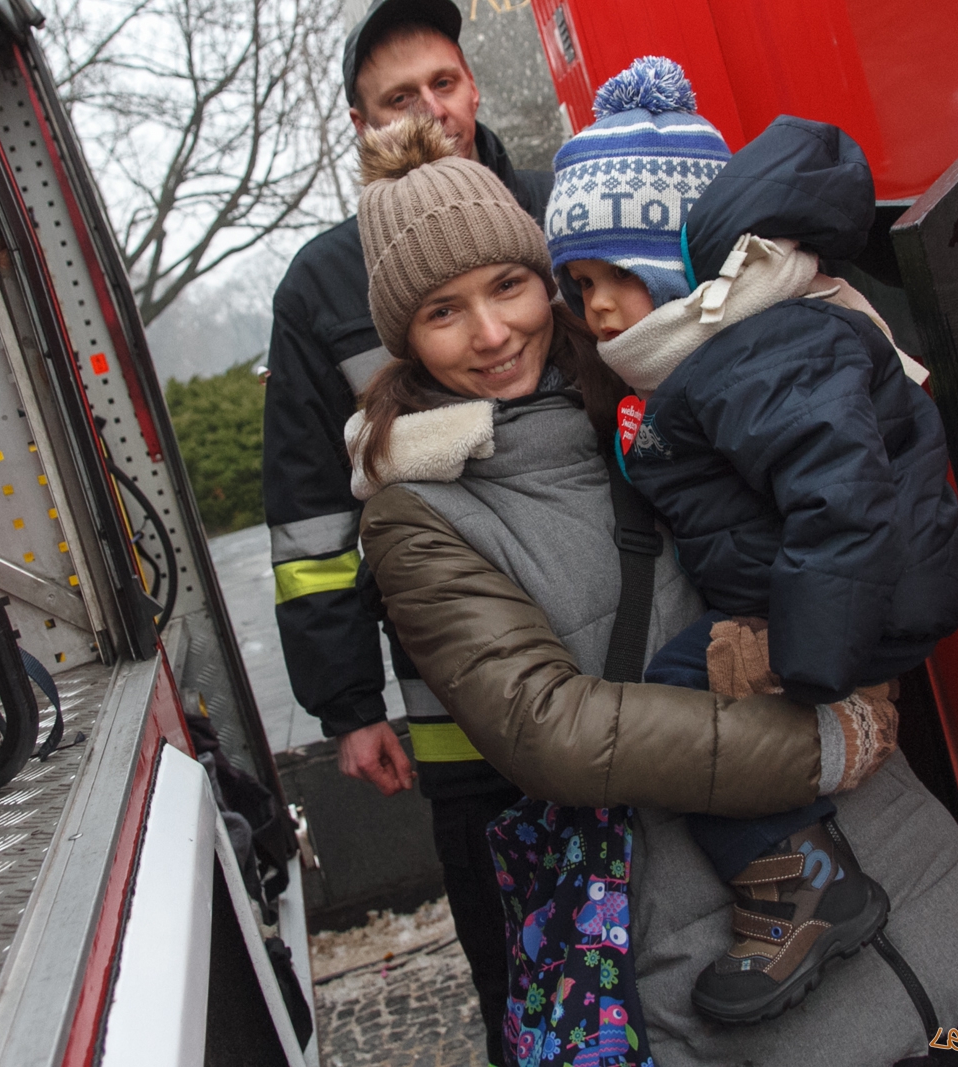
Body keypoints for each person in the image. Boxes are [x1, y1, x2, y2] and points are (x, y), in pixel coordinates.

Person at [350, 112, 958, 1066]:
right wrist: (820, 743)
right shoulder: (415, 514)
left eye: (510, 286)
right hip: (727, 955)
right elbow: (555, 731)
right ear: (404, 337)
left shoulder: (657, 389)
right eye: (443, 311)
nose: (493, 333)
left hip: (923, 896)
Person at [544, 57, 958, 1025]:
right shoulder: (717, 349)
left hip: (856, 596)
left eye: (621, 273)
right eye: (577, 282)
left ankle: (805, 890)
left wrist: (803, 651)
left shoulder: (759, 349)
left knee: (677, 702)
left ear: (689, 264)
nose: (600, 305)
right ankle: (805, 870)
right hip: (836, 586)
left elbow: (839, 496)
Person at [260, 0, 552, 1057]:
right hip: (461, 705)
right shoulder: (324, 285)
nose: (429, 107)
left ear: (471, 87)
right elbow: (308, 516)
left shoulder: (560, 207)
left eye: (443, 81)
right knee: (523, 965)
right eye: (398, 96)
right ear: (361, 122)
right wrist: (347, 702)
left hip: (628, 666)